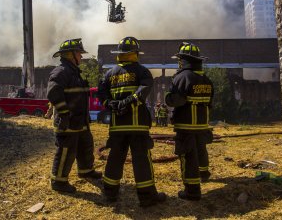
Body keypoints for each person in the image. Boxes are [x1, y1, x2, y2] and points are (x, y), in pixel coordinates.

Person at [98, 36, 166, 207]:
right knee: (141, 160)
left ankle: (110, 194)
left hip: (117, 126)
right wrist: (129, 101)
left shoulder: (109, 73)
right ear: (135, 53)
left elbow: (101, 93)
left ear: (119, 54)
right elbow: (144, 90)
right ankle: (147, 197)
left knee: (115, 159)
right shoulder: (142, 71)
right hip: (137, 126)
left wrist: (110, 103)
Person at [47, 38, 101, 193]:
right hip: (68, 121)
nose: (81, 56)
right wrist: (64, 113)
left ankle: (86, 170)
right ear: (70, 55)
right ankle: (59, 181)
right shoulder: (61, 71)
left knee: (86, 145)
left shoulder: (75, 72)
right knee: (66, 150)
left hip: (80, 120)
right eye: (79, 53)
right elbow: (53, 93)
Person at [165, 42, 214, 201]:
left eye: (180, 59)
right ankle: (204, 173)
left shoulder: (181, 77)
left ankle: (192, 191)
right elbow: (210, 102)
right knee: (201, 150)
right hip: (202, 125)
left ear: (184, 60)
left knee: (188, 156)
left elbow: (176, 100)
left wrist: (168, 97)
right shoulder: (206, 79)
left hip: (186, 126)